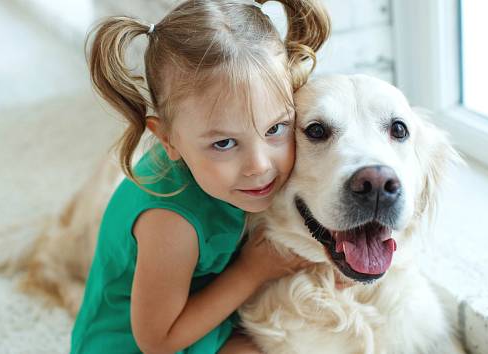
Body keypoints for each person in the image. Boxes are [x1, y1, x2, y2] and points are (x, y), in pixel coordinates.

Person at [71, 0, 330, 353]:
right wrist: (253, 271)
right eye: (224, 143)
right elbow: (156, 341)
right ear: (168, 139)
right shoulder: (169, 223)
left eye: (276, 128)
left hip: (202, 303)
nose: (259, 165)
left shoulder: (229, 171)